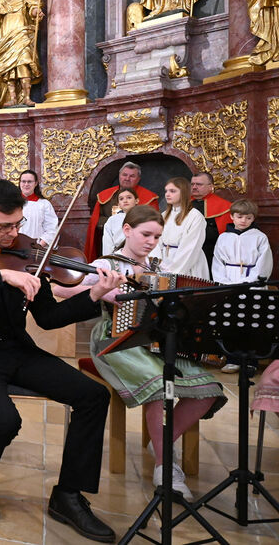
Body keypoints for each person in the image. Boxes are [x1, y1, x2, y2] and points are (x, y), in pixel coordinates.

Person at [0, 179, 123, 541]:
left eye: (18, 224)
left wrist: (95, 293)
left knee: (93, 396)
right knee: (5, 420)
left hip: (16, 349)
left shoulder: (27, 252)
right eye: (5, 226)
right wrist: (1, 275)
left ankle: (68, 496)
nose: (14, 233)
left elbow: (48, 317)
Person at [56, 205, 226, 501]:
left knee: (209, 390)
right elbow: (60, 290)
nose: (151, 241)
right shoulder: (107, 263)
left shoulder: (157, 267)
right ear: (127, 230)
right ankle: (165, 466)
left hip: (154, 339)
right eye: (146, 234)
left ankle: (162, 443)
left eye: (157, 236)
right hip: (116, 339)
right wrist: (100, 292)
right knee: (159, 387)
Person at [211, 199, 273, 374]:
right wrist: (224, 282)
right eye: (239, 216)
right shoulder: (223, 237)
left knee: (253, 323)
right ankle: (232, 359)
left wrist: (251, 282)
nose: (243, 220)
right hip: (229, 283)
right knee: (230, 322)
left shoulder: (259, 237)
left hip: (252, 285)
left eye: (248, 217)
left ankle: (252, 361)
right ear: (232, 216)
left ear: (253, 218)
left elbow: (264, 263)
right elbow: (218, 262)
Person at [84, 162, 159, 260]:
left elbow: (154, 228)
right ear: (119, 176)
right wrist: (115, 221)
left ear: (138, 179)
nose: (127, 178)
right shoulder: (105, 196)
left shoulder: (149, 198)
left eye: (132, 176)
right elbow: (96, 220)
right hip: (114, 250)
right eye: (124, 175)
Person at [154, 177, 209, 279]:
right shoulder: (164, 215)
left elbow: (191, 247)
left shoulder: (195, 216)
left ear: (184, 193)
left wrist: (174, 273)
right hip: (164, 263)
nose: (167, 194)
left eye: (172, 191)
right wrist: (159, 265)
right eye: (166, 191)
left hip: (187, 265)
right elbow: (156, 242)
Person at [189, 172, 232, 267]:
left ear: (210, 187)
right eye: (192, 184)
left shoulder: (224, 206)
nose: (194, 187)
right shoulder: (184, 204)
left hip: (210, 253)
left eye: (199, 184)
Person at [17, 169, 57, 247]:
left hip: (36, 248)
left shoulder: (44, 204)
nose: (26, 184)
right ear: (20, 183)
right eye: (23, 181)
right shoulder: (11, 203)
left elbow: (52, 229)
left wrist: (38, 246)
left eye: (29, 182)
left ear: (35, 183)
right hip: (14, 247)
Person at [101, 188, 138, 256]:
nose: (125, 201)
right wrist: (109, 259)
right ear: (119, 204)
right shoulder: (112, 220)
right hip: (119, 256)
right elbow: (107, 243)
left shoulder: (144, 217)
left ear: (136, 200)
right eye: (121, 199)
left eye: (129, 197)